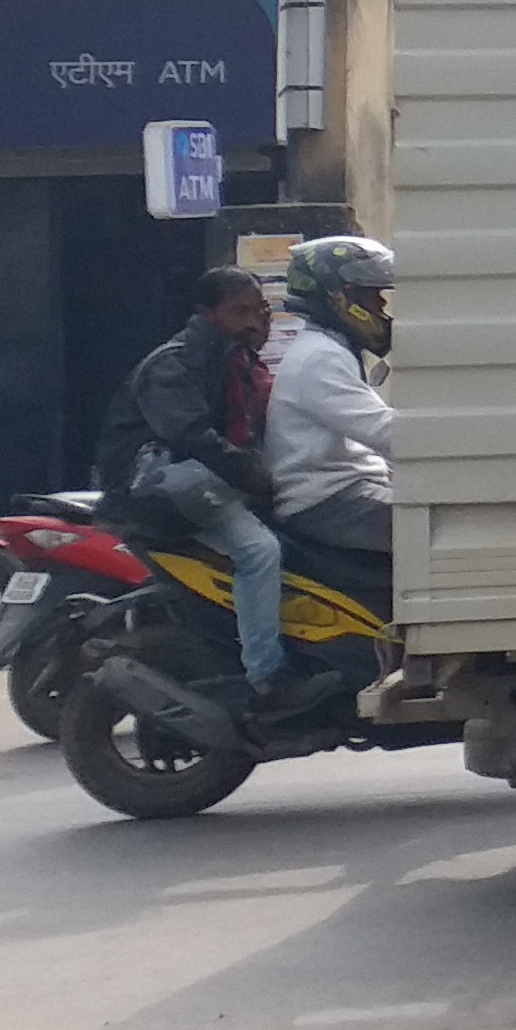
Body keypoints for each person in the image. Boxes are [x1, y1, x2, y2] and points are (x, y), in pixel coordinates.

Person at [94, 269, 329, 716]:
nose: (253, 321)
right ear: (207, 314)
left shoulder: (236, 360)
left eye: (259, 310)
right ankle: (266, 677)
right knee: (259, 551)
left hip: (200, 480)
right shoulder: (174, 363)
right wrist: (254, 476)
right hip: (152, 488)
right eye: (239, 311)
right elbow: (191, 434)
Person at [260, 236, 399, 558]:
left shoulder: (330, 348)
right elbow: (388, 433)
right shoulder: (320, 357)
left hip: (346, 489)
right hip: (326, 501)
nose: (380, 306)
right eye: (371, 295)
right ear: (338, 296)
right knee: (435, 529)